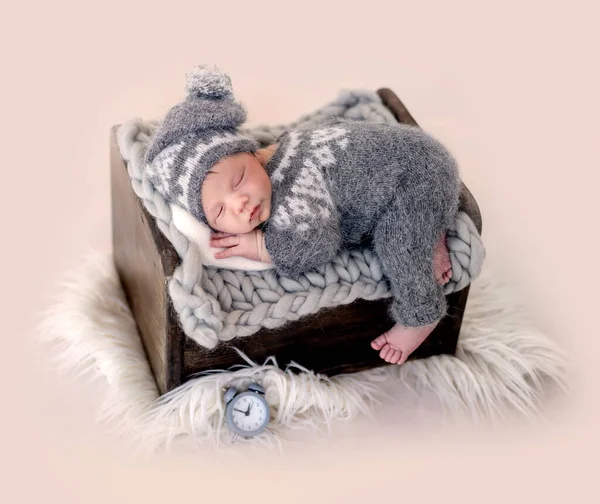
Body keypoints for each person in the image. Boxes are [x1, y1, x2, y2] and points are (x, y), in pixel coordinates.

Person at [145, 65, 460, 365]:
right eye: (220, 211)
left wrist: (260, 247)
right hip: (414, 157)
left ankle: (422, 313)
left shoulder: (293, 188)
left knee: (401, 246)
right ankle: (433, 233)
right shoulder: (287, 145)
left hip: (416, 179)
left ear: (255, 154)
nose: (239, 203)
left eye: (239, 179)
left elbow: (315, 245)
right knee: (410, 225)